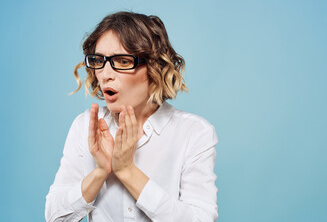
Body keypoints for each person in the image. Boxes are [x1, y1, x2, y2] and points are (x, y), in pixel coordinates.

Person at [45, 11, 218, 222]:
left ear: (154, 67)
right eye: (99, 60)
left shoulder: (194, 133)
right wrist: (100, 172)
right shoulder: (84, 127)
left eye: (123, 61)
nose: (106, 74)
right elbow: (55, 217)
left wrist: (127, 171)